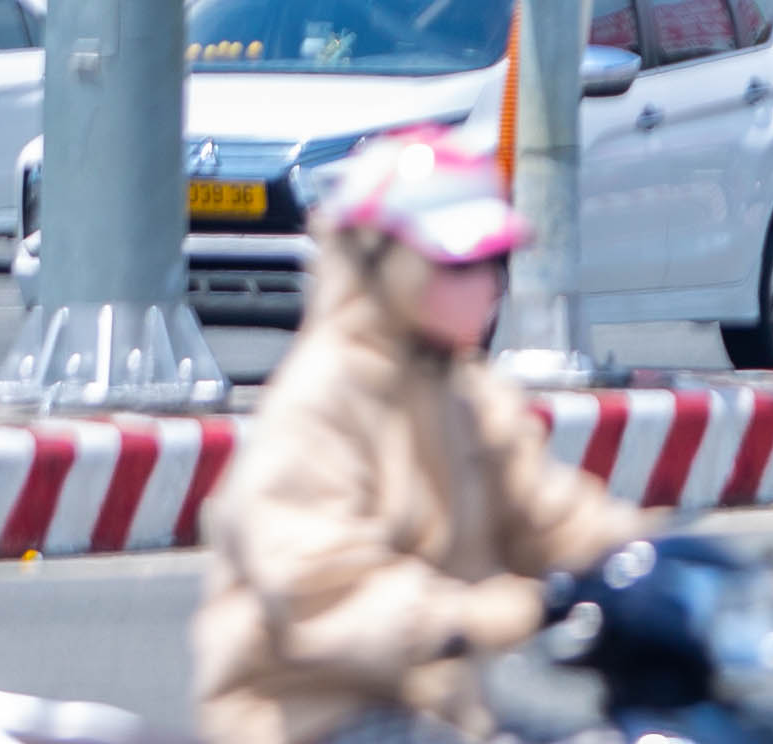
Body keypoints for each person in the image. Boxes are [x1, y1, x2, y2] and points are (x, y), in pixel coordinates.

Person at [193, 149, 660, 744]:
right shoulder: (319, 400)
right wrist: (469, 614)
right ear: (380, 261)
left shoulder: (464, 391)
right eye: (457, 264)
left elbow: (551, 513)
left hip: (436, 712)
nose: (486, 283)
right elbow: (320, 587)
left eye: (493, 261)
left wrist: (671, 568)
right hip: (314, 720)